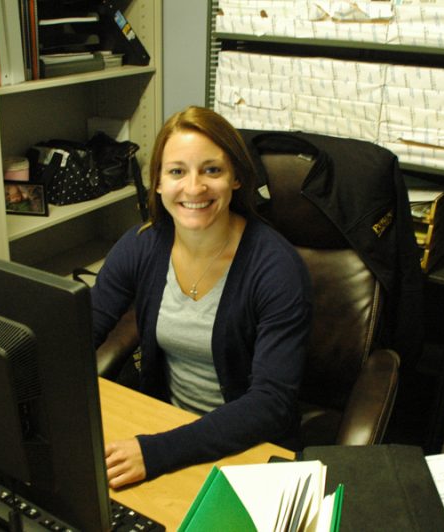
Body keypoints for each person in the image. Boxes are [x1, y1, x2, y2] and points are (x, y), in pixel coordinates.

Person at [91, 106, 313, 488]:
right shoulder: (143, 244)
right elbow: (83, 328)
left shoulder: (276, 267)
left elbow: (271, 403)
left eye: (212, 170)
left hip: (246, 449)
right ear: (157, 183)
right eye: (177, 171)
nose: (194, 188)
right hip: (164, 428)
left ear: (237, 179)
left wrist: (157, 452)